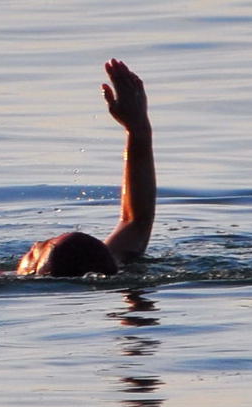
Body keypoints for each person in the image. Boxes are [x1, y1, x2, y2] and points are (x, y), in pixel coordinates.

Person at [16, 59, 155, 278]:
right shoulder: (107, 268)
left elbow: (137, 222)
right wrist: (137, 129)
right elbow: (136, 220)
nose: (34, 244)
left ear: (42, 271)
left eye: (37, 251)